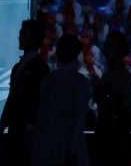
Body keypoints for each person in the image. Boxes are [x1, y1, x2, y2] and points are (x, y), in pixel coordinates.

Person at [29, 33, 90, 166]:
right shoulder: (50, 80)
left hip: (60, 143)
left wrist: (72, 146)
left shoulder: (78, 82)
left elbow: (79, 117)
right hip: (51, 142)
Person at [0, 19, 51, 165]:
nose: (19, 37)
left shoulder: (40, 67)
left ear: (34, 38)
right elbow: (12, 95)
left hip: (28, 129)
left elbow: (38, 100)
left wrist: (32, 126)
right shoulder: (17, 67)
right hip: (16, 126)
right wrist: (4, 121)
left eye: (23, 34)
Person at [94, 30, 131, 166]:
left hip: (116, 138)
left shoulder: (125, 77)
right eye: (106, 44)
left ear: (120, 49)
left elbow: (125, 110)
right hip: (103, 134)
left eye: (111, 45)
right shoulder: (105, 75)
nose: (107, 48)